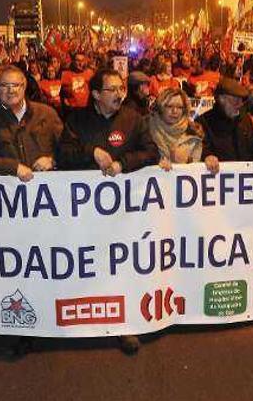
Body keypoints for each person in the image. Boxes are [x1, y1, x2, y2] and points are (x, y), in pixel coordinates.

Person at [56, 68, 158, 354]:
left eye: (120, 88)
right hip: (85, 209)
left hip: (124, 210)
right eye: (111, 89)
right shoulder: (76, 120)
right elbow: (63, 154)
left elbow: (151, 153)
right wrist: (91, 152)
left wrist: (123, 163)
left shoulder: (133, 119)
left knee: (121, 264)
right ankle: (83, 315)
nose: (119, 94)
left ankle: (123, 324)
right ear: (96, 94)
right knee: (89, 262)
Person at [0, 66, 63, 180]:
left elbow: (66, 149)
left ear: (24, 87)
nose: (11, 90)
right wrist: (12, 167)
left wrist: (52, 160)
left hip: (46, 186)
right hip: (9, 189)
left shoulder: (47, 114)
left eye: (15, 85)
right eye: (4, 85)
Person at [197, 77, 253, 174]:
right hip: (218, 179)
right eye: (235, 100)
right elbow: (200, 150)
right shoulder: (204, 122)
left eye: (241, 100)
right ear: (221, 99)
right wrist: (207, 157)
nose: (240, 104)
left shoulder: (245, 120)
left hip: (247, 178)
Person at [148, 87, 204, 170]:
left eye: (180, 107)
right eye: (169, 106)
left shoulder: (194, 133)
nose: (174, 111)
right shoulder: (146, 129)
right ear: (161, 107)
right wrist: (156, 163)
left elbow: (197, 169)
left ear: (184, 110)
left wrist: (185, 162)